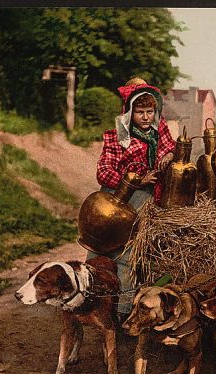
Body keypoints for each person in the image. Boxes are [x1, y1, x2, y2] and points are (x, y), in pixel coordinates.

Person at [88, 77, 176, 316]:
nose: (146, 117)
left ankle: (124, 311)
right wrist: (137, 180)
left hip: (145, 200)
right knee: (100, 249)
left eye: (150, 111)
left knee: (129, 257)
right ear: (129, 112)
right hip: (116, 199)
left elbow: (171, 148)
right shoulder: (117, 137)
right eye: (140, 112)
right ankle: (90, 305)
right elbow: (103, 172)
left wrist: (168, 157)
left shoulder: (160, 132)